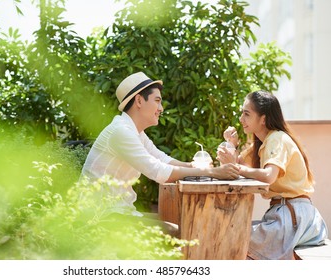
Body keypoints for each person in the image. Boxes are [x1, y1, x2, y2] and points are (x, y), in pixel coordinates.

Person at [81, 72, 239, 220]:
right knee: (179, 230)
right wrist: (213, 172)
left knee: (178, 223)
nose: (161, 108)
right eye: (157, 101)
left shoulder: (134, 131)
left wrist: (193, 166)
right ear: (139, 101)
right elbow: (159, 171)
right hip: (101, 217)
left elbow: (161, 158)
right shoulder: (121, 131)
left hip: (117, 212)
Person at [217, 90, 328, 260]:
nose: (241, 119)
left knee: (233, 238)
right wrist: (232, 145)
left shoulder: (276, 139)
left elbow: (268, 175)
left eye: (246, 114)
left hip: (292, 217)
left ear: (263, 118)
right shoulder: (263, 142)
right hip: (294, 216)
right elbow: (237, 163)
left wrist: (237, 168)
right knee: (236, 236)